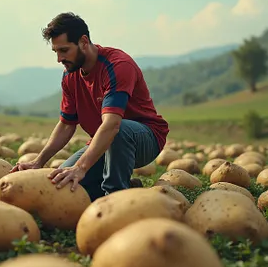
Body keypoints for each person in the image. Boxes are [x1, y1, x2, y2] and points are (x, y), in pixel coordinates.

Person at [10, 12, 169, 202]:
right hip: (105, 142)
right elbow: (66, 125)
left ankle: (116, 197)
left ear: (84, 42)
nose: (59, 59)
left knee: (120, 130)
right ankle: (130, 188)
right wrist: (38, 161)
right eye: (56, 52)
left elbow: (112, 125)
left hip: (144, 138)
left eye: (64, 50)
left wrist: (81, 167)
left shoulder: (117, 66)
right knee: (64, 185)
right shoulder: (70, 76)